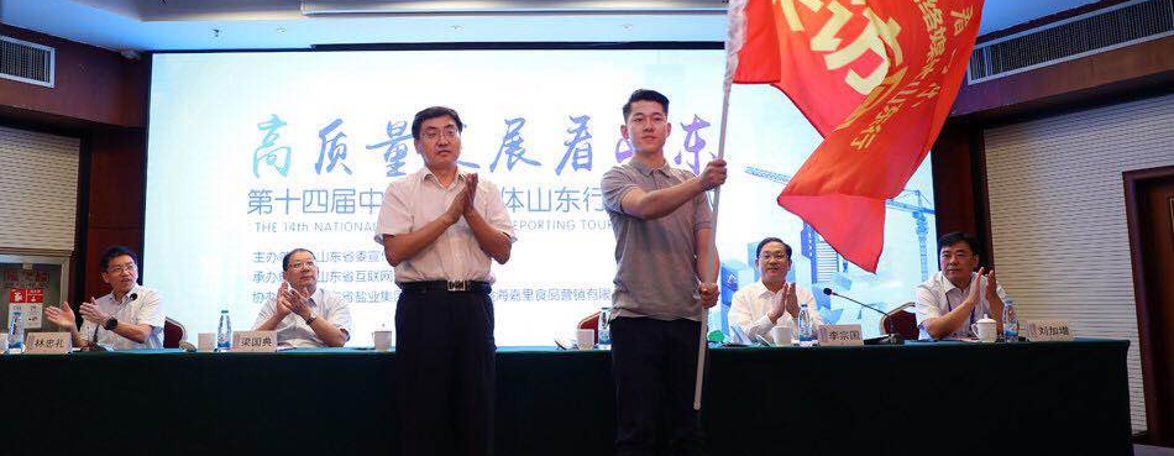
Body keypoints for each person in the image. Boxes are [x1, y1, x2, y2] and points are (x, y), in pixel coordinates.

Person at [374, 106, 515, 456]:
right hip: (423, 305)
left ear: (460, 139)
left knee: (477, 407)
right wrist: (449, 217)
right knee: (423, 410)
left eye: (450, 131)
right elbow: (395, 251)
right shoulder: (401, 190)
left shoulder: (485, 189)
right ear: (417, 145)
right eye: (432, 133)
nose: (443, 140)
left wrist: (469, 213)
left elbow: (502, 251)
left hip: (474, 304)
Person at [602, 89, 725, 456]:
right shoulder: (617, 177)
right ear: (625, 131)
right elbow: (644, 207)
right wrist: (701, 182)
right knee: (637, 432)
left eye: (657, 119)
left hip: (688, 319)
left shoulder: (688, 181)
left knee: (687, 432)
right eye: (638, 119)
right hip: (635, 318)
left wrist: (709, 281)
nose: (648, 126)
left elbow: (705, 245)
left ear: (669, 129)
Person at [43, 245, 164, 350]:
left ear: (137, 270)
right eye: (117, 269)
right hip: (106, 364)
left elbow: (142, 335)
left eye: (130, 267)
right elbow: (83, 345)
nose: (125, 273)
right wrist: (72, 327)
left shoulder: (151, 296)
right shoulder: (99, 305)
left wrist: (105, 320)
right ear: (106, 277)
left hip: (145, 365)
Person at [727, 237, 824, 344]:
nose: (772, 261)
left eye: (779, 256)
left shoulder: (803, 295)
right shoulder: (742, 296)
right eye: (767, 256)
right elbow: (738, 338)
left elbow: (822, 335)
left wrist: (797, 312)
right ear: (757, 264)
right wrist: (773, 316)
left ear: (789, 264)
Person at [915, 231, 1010, 340]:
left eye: (960, 255)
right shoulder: (927, 288)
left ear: (975, 260)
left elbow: (1008, 329)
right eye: (946, 255)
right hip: (937, 350)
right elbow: (934, 331)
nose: (953, 261)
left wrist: (993, 297)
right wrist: (970, 301)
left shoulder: (988, 285)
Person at [253, 248, 352, 348]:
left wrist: (306, 313)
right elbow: (250, 343)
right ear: (285, 275)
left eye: (310, 263)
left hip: (318, 356)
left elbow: (339, 341)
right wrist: (279, 316)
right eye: (297, 265)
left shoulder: (334, 301)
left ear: (318, 271)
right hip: (280, 357)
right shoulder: (273, 304)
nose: (306, 268)